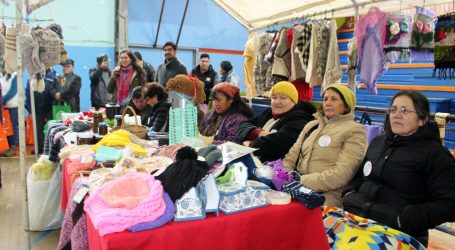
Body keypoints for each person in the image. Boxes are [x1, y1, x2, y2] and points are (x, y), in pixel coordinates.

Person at [342, 90, 455, 246]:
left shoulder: (435, 154)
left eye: (405, 110)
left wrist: (405, 219)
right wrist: (348, 192)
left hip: (399, 233)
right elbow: (361, 175)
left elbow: (450, 203)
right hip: (357, 220)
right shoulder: (378, 142)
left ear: (422, 120)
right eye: (393, 110)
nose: (396, 115)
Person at [282, 84, 367, 207]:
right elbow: (291, 157)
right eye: (325, 99)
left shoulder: (354, 130)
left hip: (326, 196)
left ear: (346, 105)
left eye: (334, 99)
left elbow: (341, 175)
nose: (327, 103)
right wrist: (286, 177)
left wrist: (300, 181)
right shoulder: (312, 125)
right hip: (296, 188)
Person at [238, 81, 316, 162]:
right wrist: (258, 132)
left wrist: (251, 145)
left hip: (277, 169)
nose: (277, 101)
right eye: (274, 97)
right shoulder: (268, 113)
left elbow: (281, 142)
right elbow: (242, 125)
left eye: (283, 98)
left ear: (293, 101)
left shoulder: (300, 118)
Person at [26, 68, 56, 154]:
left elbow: (55, 90)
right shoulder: (33, 75)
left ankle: (51, 147)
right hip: (37, 107)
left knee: (51, 127)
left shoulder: (53, 75)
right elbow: (28, 91)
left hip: (49, 107)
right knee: (38, 129)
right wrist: (29, 107)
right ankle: (39, 147)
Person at [0, 68, 18, 157]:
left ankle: (13, 147)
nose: (1, 69)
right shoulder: (3, 76)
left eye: (3, 67)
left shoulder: (15, 75)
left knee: (13, 126)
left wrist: (2, 100)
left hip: (13, 106)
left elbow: (13, 91)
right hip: (4, 106)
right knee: (6, 127)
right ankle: (6, 147)